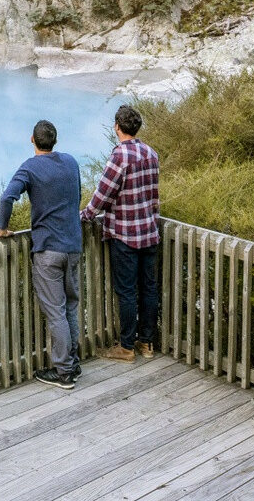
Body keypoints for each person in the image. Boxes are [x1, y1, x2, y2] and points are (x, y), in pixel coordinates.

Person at [0, 119, 82, 390]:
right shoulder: (71, 162)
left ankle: (65, 372)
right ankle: (74, 362)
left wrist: (3, 228)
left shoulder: (30, 167)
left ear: (32, 139)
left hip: (48, 249)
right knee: (70, 307)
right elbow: (77, 196)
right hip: (73, 246)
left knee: (55, 312)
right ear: (54, 140)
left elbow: (7, 197)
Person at [83, 103, 161, 361]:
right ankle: (147, 343)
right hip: (149, 232)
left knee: (127, 291)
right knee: (148, 289)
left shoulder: (119, 157)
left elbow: (102, 194)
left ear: (117, 127)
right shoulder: (151, 153)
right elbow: (154, 196)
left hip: (125, 235)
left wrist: (85, 215)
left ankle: (127, 346)